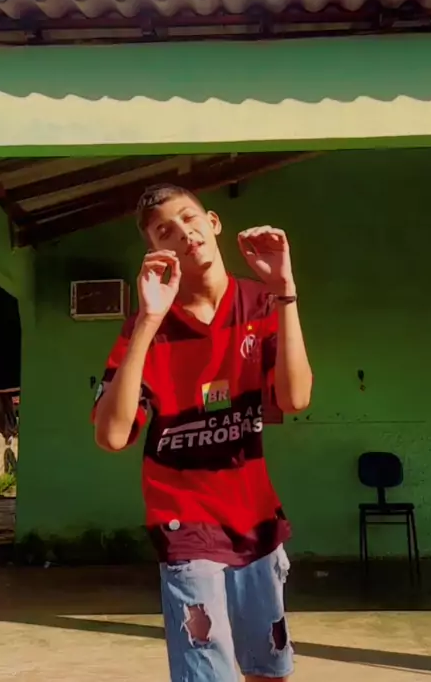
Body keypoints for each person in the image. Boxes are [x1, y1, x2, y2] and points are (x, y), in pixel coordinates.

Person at [93, 183, 313, 682]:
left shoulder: (261, 303)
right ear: (156, 251)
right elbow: (111, 436)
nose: (183, 233)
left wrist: (286, 288)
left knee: (269, 670)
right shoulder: (148, 325)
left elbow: (295, 398)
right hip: (184, 522)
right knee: (207, 673)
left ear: (212, 222)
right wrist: (148, 320)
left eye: (188, 218)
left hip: (255, 519)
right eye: (164, 231)